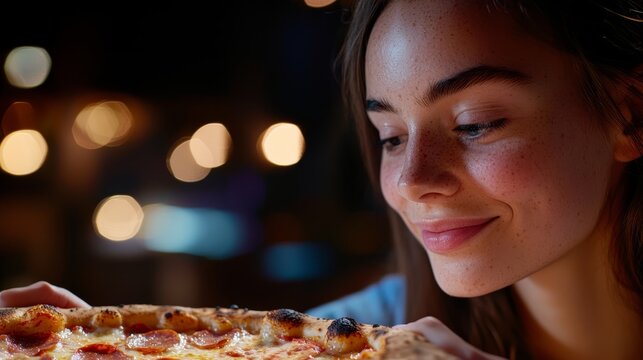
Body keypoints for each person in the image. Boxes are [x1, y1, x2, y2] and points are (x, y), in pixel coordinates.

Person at [1, 0, 641, 358]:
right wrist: (105, 347)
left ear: (628, 114)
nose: (413, 181)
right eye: (390, 137)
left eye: (476, 124)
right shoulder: (357, 337)